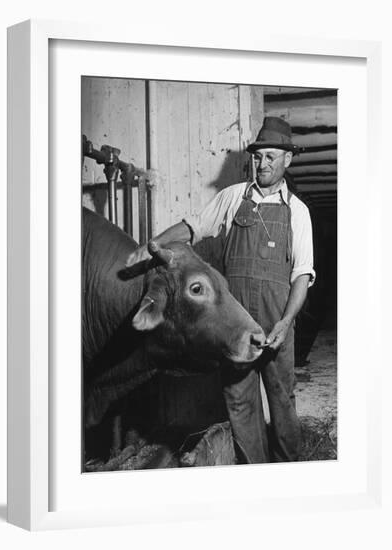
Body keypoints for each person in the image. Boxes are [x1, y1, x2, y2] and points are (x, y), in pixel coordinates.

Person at [126, 116, 315, 463]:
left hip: (276, 322)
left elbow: (301, 275)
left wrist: (287, 321)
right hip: (235, 322)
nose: (263, 163)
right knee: (240, 402)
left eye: (272, 156)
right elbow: (193, 227)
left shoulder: (298, 213)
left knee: (281, 400)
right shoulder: (232, 197)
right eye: (258, 156)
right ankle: (253, 473)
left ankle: (289, 474)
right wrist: (152, 244)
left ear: (287, 159)